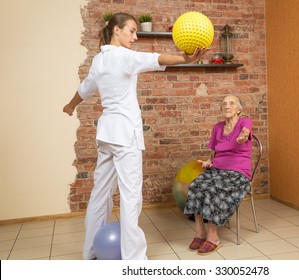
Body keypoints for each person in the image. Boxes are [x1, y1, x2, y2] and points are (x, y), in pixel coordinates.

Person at [63, 12, 208, 260]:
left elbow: (85, 88)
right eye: (131, 30)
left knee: (100, 193)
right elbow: (154, 58)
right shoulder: (124, 56)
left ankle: (89, 253)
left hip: (107, 135)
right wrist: (185, 57)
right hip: (125, 135)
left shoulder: (99, 59)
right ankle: (135, 260)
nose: (135, 36)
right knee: (131, 197)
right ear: (116, 31)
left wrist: (70, 105)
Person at [183, 94, 252, 255]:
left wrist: (243, 137)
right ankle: (200, 233)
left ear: (238, 109)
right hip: (217, 169)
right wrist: (209, 162)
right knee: (196, 185)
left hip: (238, 173)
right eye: (224, 104)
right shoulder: (217, 127)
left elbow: (246, 132)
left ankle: (213, 237)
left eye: (232, 103)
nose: (227, 106)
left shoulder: (244, 122)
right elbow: (213, 153)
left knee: (212, 189)